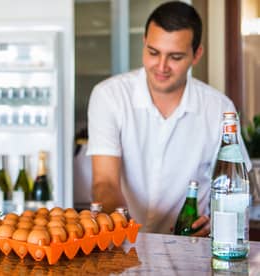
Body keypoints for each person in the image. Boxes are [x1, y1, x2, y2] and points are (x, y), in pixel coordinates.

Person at [86, 1, 251, 236]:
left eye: (175, 57)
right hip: (126, 243)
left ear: (196, 55)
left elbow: (237, 188)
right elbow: (105, 183)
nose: (161, 66)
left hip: (193, 251)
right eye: (153, 53)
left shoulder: (218, 109)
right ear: (144, 43)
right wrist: (123, 230)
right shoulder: (110, 96)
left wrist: (214, 222)